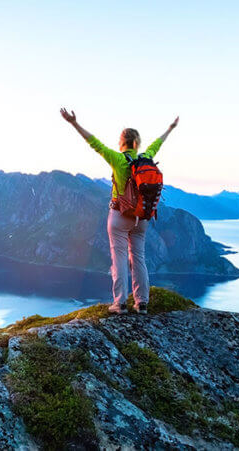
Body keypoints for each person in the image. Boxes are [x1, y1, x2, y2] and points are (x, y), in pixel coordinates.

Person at [59, 108, 179, 314]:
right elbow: (158, 144)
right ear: (137, 143)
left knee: (120, 259)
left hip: (119, 216)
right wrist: (170, 128)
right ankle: (142, 303)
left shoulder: (116, 158)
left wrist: (74, 123)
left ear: (121, 142)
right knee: (139, 258)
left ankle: (120, 303)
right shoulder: (146, 157)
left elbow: (93, 142)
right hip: (142, 217)